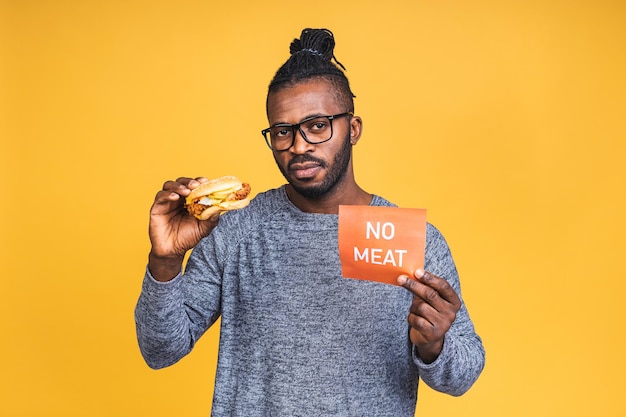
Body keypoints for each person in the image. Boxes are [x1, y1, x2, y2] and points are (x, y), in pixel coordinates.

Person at [135, 28, 485, 416]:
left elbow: (464, 374)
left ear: (352, 129)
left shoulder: (412, 241)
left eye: (317, 125)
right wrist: (165, 262)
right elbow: (160, 350)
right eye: (283, 131)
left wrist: (434, 346)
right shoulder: (236, 229)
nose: (299, 145)